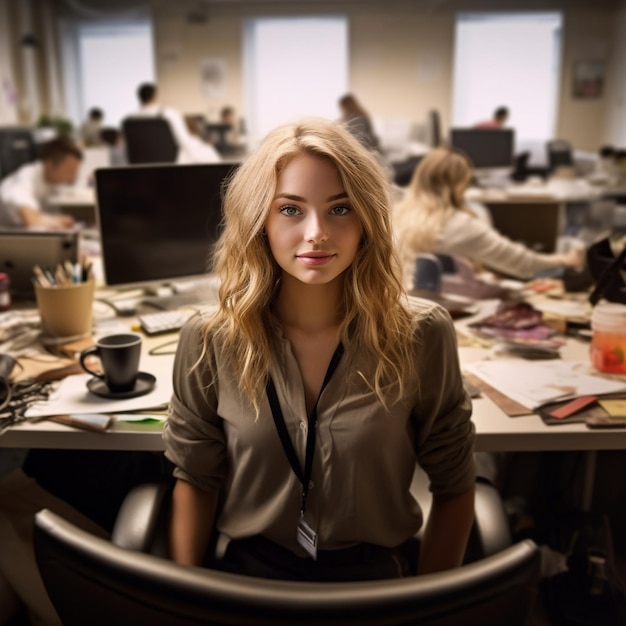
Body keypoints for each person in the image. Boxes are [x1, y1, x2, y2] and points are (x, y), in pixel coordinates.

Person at [163, 118, 476, 581]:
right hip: (250, 582)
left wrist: (431, 604)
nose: (317, 233)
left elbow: (455, 484)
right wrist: (184, 600)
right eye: (290, 209)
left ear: (367, 219)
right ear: (259, 220)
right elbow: (196, 478)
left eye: (340, 209)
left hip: (376, 585)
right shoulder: (209, 339)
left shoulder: (422, 334)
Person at [392, 147, 585, 288]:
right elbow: (521, 264)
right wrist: (564, 259)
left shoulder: (395, 214)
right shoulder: (459, 224)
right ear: (460, 185)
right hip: (450, 311)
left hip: (404, 308)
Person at [0, 136, 80, 230]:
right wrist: (59, 221)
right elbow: (31, 220)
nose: (73, 178)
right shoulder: (23, 179)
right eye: (69, 171)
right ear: (49, 164)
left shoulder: (52, 181)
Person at [130, 82, 221, 163]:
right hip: (169, 165)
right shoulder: (169, 114)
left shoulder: (130, 120)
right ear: (155, 95)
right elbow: (184, 141)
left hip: (140, 168)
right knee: (209, 153)